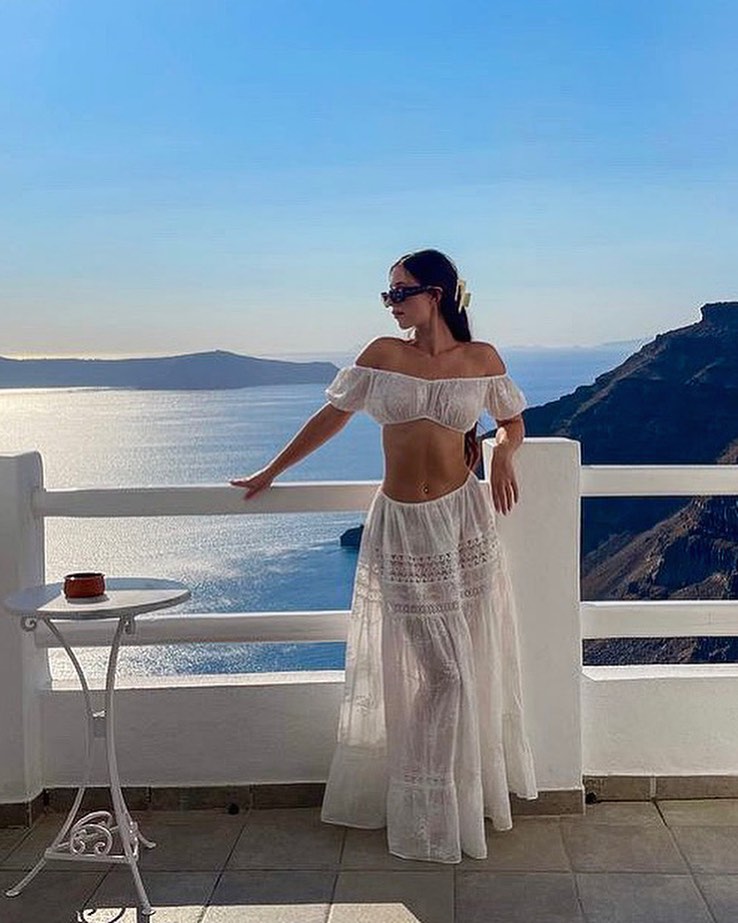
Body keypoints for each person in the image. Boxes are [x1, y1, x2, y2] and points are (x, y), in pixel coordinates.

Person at [230, 248, 538, 863]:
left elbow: (512, 421)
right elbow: (332, 417)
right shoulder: (381, 355)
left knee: (462, 663)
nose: (391, 303)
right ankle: (423, 804)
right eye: (388, 294)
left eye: (401, 292)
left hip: (462, 524)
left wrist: (504, 451)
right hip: (403, 528)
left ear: (440, 294)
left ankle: (447, 800)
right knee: (445, 673)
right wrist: (272, 469)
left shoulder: (482, 360)